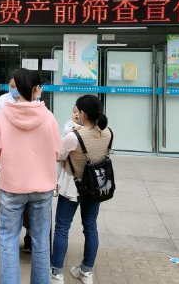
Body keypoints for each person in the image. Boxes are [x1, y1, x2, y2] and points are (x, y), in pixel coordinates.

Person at [0, 68, 60, 284]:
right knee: (41, 240)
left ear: (17, 88)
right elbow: (57, 151)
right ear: (37, 89)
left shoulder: (2, 115)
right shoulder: (48, 117)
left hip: (12, 185)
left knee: (8, 239)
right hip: (43, 187)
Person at [51, 95, 111, 284]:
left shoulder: (73, 136)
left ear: (83, 113)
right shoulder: (108, 132)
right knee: (91, 227)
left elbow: (59, 156)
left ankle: (56, 273)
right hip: (95, 188)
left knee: (62, 228)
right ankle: (86, 271)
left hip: (72, 188)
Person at [0, 73, 32, 253]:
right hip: (8, 153)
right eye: (12, 86)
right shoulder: (3, 100)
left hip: (28, 156)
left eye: (17, 86)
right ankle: (1, 233)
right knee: (6, 200)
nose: (14, 89)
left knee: (29, 198)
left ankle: (29, 235)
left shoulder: (33, 99)